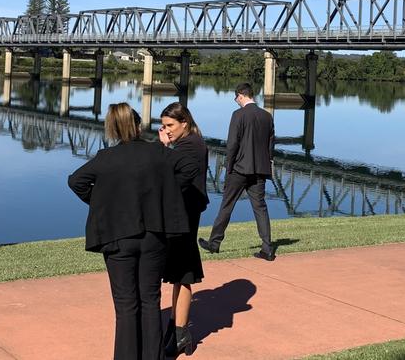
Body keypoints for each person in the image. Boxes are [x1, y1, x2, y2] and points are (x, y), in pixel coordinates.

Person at [68, 103, 197, 360]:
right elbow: (190, 167)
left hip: (118, 238)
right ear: (138, 126)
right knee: (150, 301)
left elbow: (76, 181)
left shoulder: (106, 158)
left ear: (113, 129)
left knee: (126, 305)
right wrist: (164, 194)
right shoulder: (158, 153)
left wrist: (105, 201)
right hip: (154, 236)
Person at [198, 82, 276, 261]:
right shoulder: (266, 116)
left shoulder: (238, 115)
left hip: (240, 168)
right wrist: (267, 162)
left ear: (241, 95)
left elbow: (232, 144)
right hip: (259, 170)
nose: (237, 102)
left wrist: (228, 166)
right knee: (260, 208)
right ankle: (267, 248)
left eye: (236, 99)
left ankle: (214, 243)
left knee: (227, 205)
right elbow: (271, 144)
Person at [157, 102, 209, 357]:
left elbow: (166, 171)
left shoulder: (189, 146)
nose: (165, 130)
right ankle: (176, 327)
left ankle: (180, 333)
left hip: (185, 216)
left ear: (184, 124)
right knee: (179, 272)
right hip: (187, 212)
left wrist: (163, 147)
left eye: (170, 125)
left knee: (184, 271)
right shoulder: (193, 142)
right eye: (163, 126)